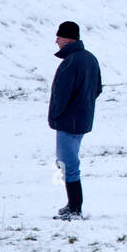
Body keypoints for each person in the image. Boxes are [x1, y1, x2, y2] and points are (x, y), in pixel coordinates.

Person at [49, 21, 102, 220]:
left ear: (68, 38)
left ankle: (75, 209)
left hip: (67, 121)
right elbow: (97, 89)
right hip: (82, 120)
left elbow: (60, 95)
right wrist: (84, 107)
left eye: (59, 37)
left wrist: (55, 116)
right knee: (69, 162)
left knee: (67, 163)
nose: (56, 41)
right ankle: (72, 204)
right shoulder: (90, 58)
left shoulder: (70, 62)